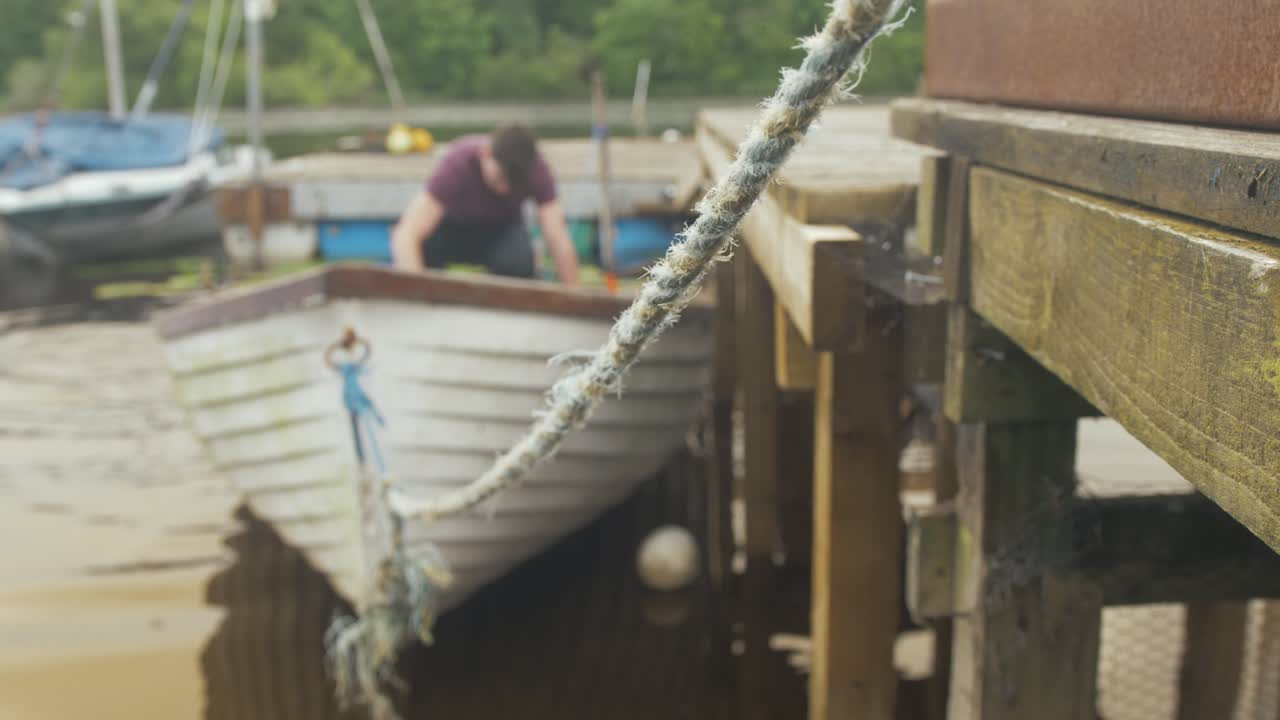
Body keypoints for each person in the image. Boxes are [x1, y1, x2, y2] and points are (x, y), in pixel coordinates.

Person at [389, 123, 580, 285]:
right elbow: (407, 234)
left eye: (513, 183)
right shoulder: (459, 162)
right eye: (500, 178)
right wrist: (415, 293)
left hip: (501, 231)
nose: (505, 189)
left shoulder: (536, 169)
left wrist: (574, 299)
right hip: (453, 228)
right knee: (424, 246)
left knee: (520, 259)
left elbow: (558, 237)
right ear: (486, 154)